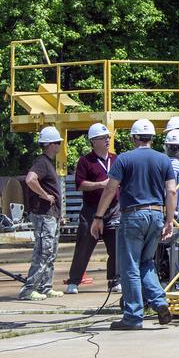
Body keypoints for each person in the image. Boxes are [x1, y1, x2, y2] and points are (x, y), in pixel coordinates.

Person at [91, 119, 176, 330]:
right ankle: (160, 302)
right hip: (156, 215)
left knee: (129, 266)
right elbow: (172, 191)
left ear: (133, 137)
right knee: (146, 262)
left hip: (133, 216)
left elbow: (110, 189)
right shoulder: (164, 160)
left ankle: (133, 316)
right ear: (152, 138)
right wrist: (170, 220)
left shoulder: (124, 159)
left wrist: (98, 217)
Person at [66, 123, 119, 295]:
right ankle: (74, 281)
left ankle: (114, 280)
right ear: (93, 141)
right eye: (103, 138)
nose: (107, 140)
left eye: (108, 137)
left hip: (113, 209)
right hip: (91, 210)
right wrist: (100, 185)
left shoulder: (115, 159)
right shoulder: (85, 161)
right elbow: (80, 184)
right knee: (84, 245)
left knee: (116, 246)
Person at [18, 126, 64, 301]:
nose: (60, 145)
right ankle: (29, 289)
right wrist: (44, 195)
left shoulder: (46, 163)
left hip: (51, 215)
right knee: (43, 251)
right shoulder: (42, 162)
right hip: (44, 215)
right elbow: (30, 179)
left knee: (50, 252)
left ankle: (46, 287)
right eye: (58, 142)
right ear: (52, 144)